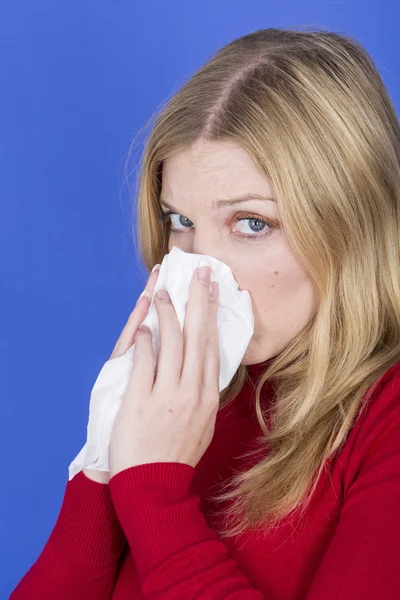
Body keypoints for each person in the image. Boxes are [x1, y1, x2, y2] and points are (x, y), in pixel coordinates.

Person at [10, 26, 400, 599]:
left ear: (351, 224)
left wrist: (152, 489)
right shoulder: (193, 399)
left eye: (252, 223)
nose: (201, 274)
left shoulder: (384, 422)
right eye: (181, 223)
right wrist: (100, 467)